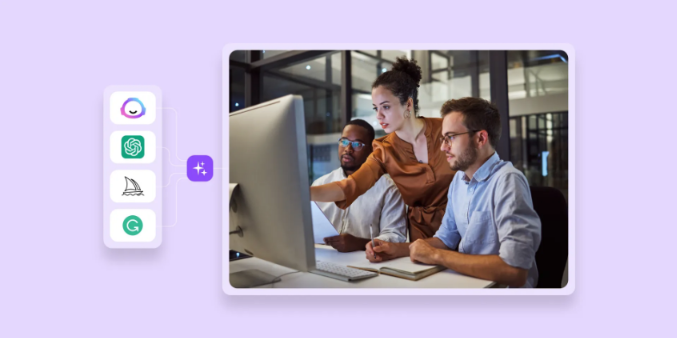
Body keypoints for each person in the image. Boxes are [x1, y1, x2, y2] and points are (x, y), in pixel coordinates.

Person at [366, 97, 542, 288]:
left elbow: (514, 271)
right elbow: (445, 239)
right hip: (469, 285)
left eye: (450, 137)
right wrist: (396, 249)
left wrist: (436, 255)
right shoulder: (459, 180)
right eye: (443, 138)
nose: (443, 147)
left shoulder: (508, 181)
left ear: (481, 138)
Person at [310, 57, 455, 241]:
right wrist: (303, 193)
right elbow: (350, 186)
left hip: (463, 227)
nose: (379, 115)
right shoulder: (383, 150)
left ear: (408, 104)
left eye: (385, 107)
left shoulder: (446, 129)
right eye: (376, 108)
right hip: (423, 238)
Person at [312, 119, 407, 252]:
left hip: (366, 262)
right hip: (322, 257)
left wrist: (359, 243)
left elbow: (396, 236)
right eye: (344, 141)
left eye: (357, 144)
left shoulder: (389, 189)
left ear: (371, 149)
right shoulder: (321, 184)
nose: (348, 149)